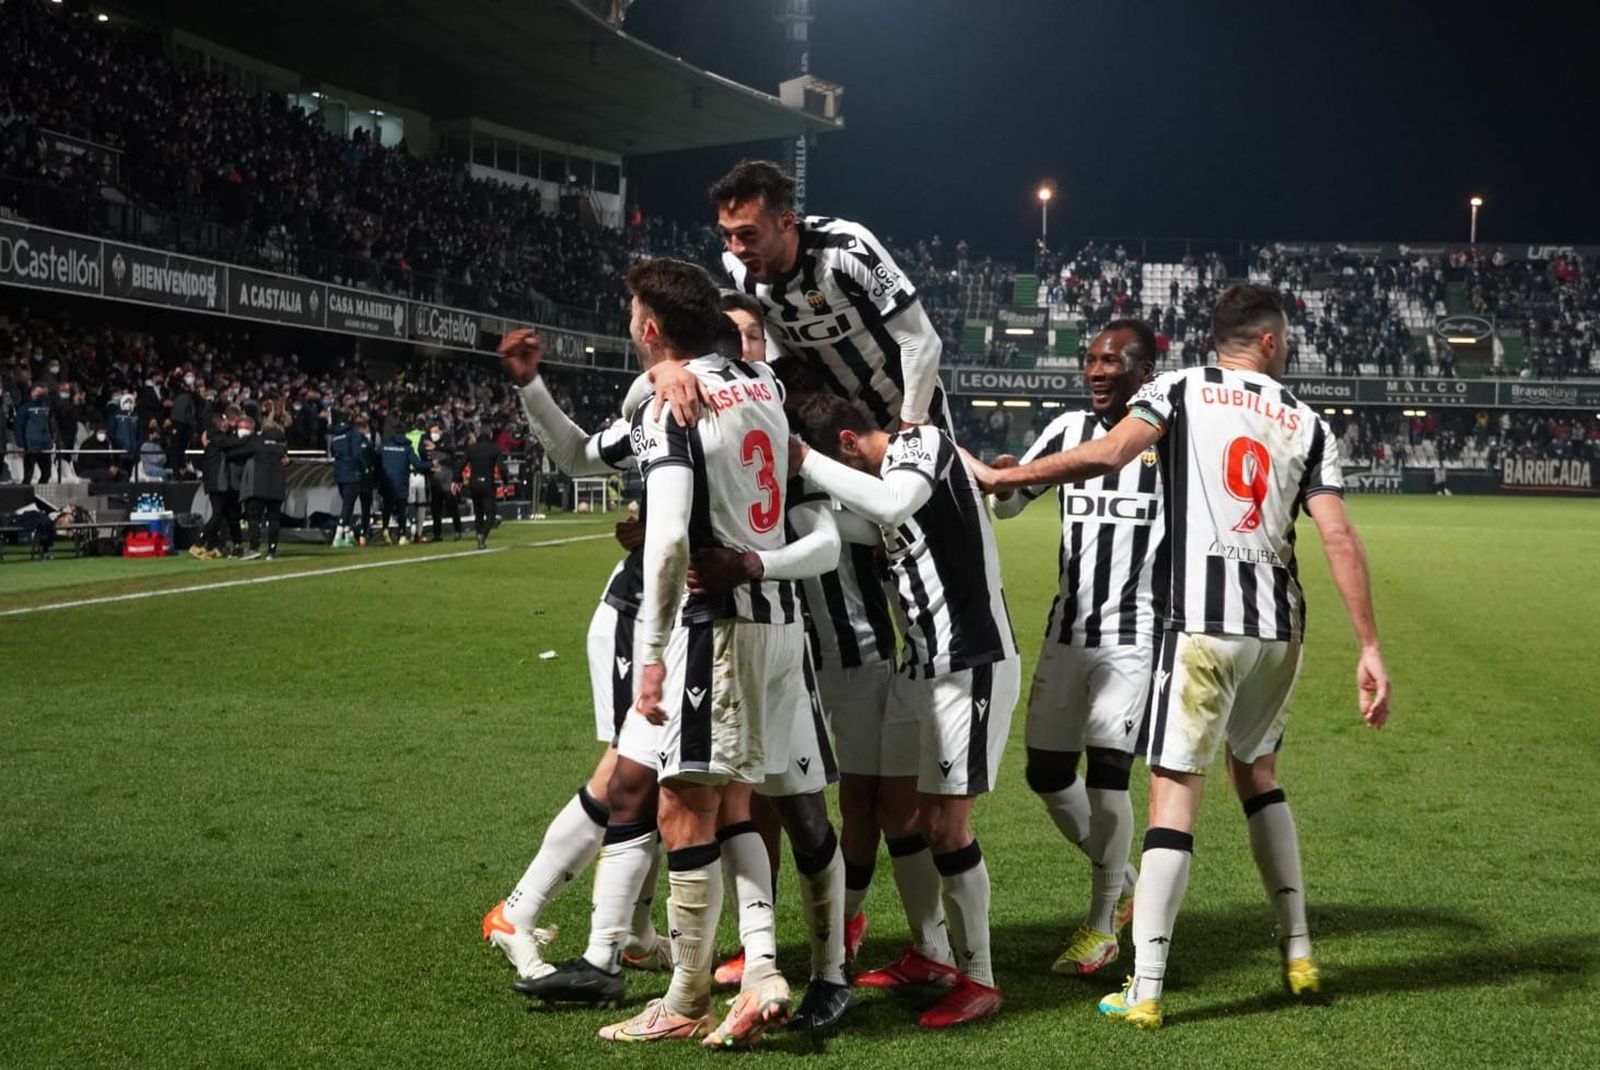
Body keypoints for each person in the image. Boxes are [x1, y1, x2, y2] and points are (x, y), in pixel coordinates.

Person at [970, 284, 1392, 1029]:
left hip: (1198, 625)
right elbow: (1338, 537)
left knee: (1173, 797)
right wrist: (1368, 648)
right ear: (1269, 341)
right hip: (1280, 625)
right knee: (1259, 779)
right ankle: (1297, 949)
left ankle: (1148, 985)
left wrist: (1006, 476)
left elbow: (1110, 451)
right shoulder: (1308, 419)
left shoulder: (1181, 389)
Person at [792, 394, 1020, 1029]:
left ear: (846, 442)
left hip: (967, 663)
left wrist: (803, 461)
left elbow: (890, 505)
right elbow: (861, 525)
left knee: (947, 827)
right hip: (916, 668)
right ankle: (930, 952)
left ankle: (980, 979)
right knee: (900, 814)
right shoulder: (883, 488)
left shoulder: (921, 445)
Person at [987, 320, 1161, 975]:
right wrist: (1007, 477)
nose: (1094, 370)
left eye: (1111, 360)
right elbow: (1011, 504)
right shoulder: (1065, 431)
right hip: (1067, 632)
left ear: (1145, 368)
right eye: (1089, 359)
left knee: (1111, 773)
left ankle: (1100, 928)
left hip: (1136, 634)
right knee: (1048, 775)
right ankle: (1128, 886)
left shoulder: (1165, 437)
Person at [698, 159, 947, 435]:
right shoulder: (734, 267)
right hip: (829, 427)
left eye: (748, 234)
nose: (736, 248)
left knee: (931, 479)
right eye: (727, 235)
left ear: (786, 222)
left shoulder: (846, 251)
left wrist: (909, 432)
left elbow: (922, 342)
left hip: (906, 410)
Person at [237, 419, 289, 560]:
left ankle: (254, 548)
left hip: (258, 485)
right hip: (276, 485)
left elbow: (240, 452)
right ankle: (272, 550)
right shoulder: (282, 444)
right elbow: (285, 459)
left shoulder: (257, 440)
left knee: (254, 518)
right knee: (274, 518)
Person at [378, 420, 428, 545]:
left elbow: (377, 462)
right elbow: (417, 464)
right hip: (401, 481)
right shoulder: (407, 447)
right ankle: (402, 535)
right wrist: (431, 464)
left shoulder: (384, 445)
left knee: (387, 508)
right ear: (404, 433)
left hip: (387, 481)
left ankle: (385, 529)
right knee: (401, 509)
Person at [329, 415, 374, 548]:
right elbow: (357, 454)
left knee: (347, 504)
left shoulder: (335, 437)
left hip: (339, 474)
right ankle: (337, 536)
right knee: (347, 506)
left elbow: (333, 453)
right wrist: (364, 467)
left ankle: (347, 535)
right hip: (351, 473)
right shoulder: (353, 435)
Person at [457, 426, 504, 551]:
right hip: (488, 483)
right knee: (491, 513)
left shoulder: (471, 449)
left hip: (474, 483)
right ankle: (482, 535)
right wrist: (506, 480)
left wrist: (456, 479)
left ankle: (479, 537)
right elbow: (502, 467)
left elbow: (461, 464)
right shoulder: (494, 449)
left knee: (478, 513)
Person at [422, 422, 464, 543]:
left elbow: (452, 450)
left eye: (435, 431)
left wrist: (436, 447)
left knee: (452, 507)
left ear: (441, 431)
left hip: (448, 481)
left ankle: (458, 531)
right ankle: (437, 534)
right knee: (436, 509)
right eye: (431, 432)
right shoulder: (427, 444)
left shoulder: (446, 442)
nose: (433, 434)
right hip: (435, 482)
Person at [14, 384, 56, 484]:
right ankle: (25, 497)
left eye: (42, 392)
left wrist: (52, 438)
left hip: (44, 445)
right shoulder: (25, 408)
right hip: (30, 446)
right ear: (32, 392)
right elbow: (19, 427)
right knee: (28, 475)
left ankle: (39, 493)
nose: (40, 394)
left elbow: (50, 423)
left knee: (47, 473)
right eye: (38, 391)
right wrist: (20, 444)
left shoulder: (47, 407)